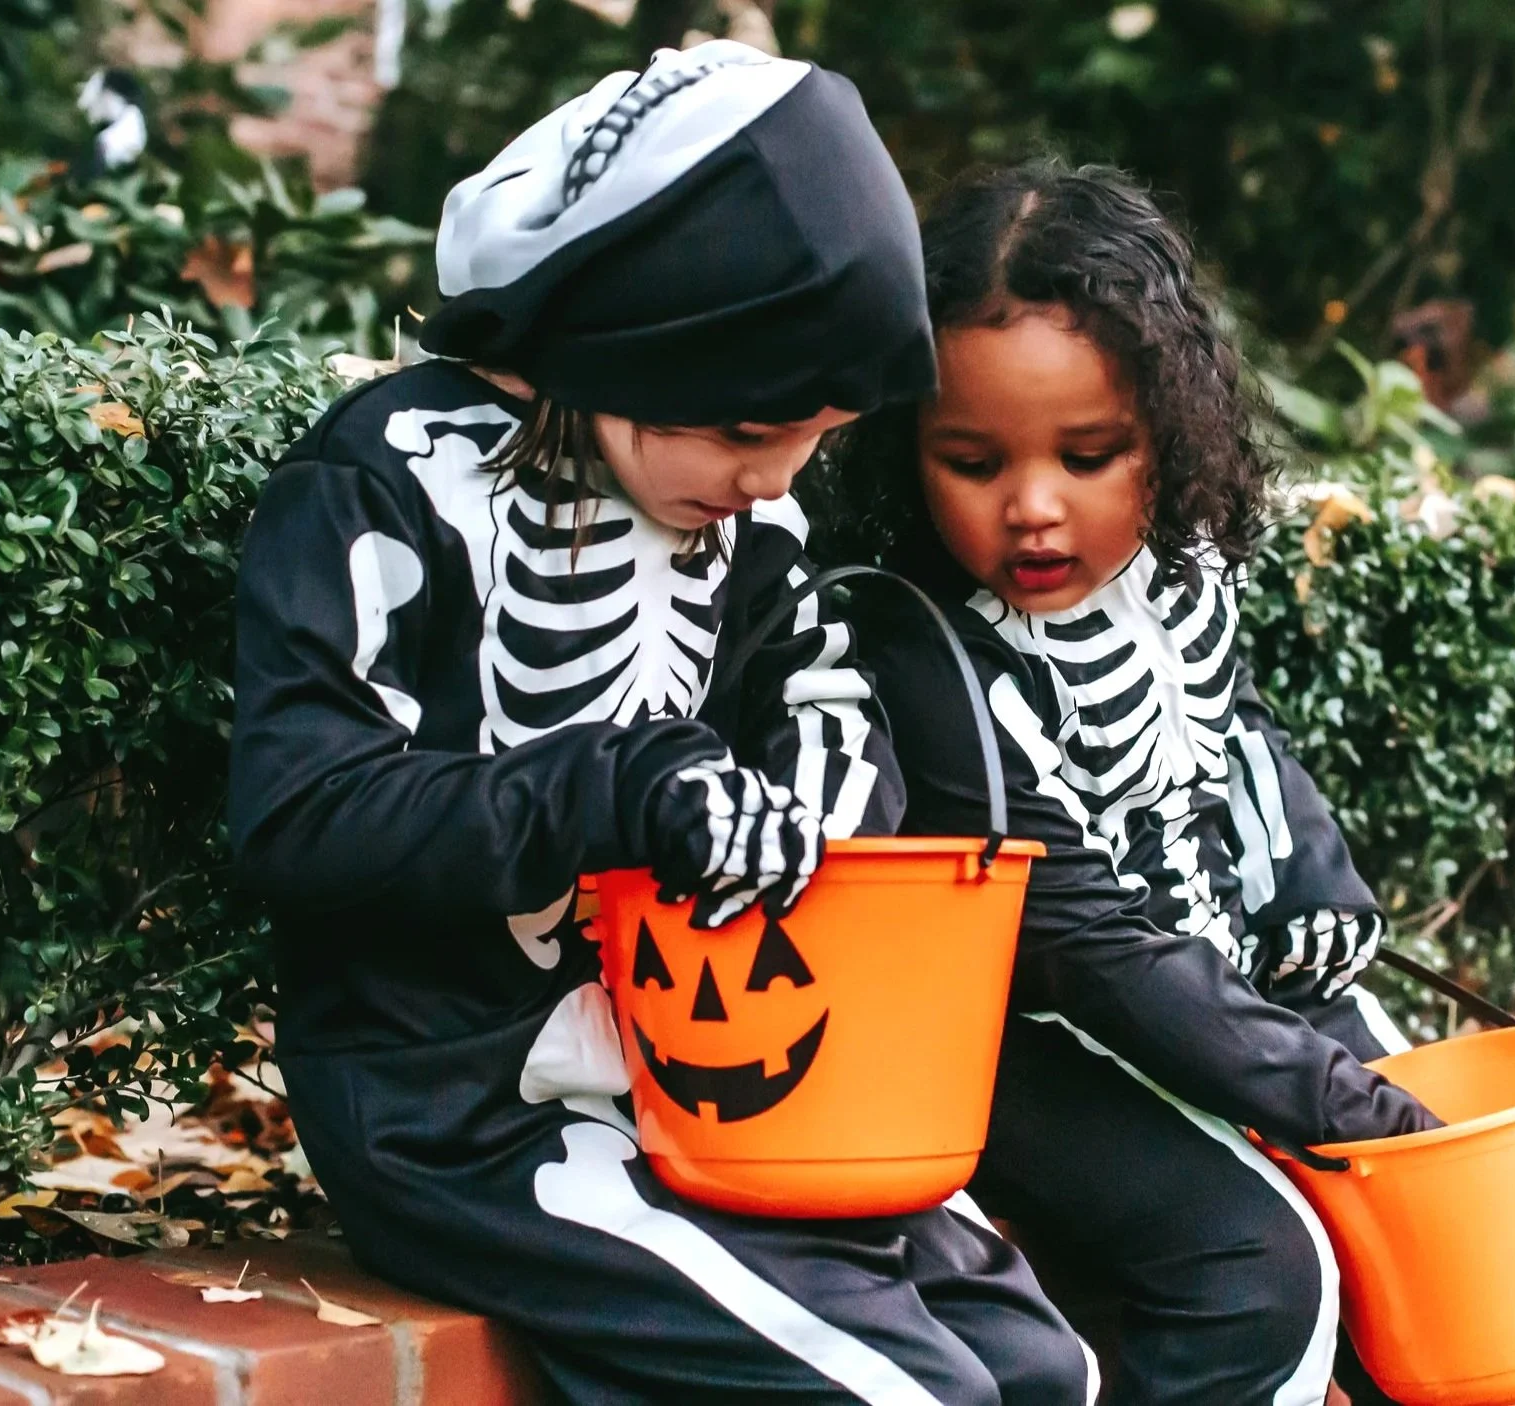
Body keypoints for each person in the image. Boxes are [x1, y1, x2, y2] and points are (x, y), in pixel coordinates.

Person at [229, 46, 1091, 1405]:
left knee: (1041, 1368)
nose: (768, 480)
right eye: (748, 427)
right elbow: (300, 813)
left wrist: (812, 799)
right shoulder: (385, 478)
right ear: (627, 340)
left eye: (812, 437)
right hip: (459, 1109)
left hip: (715, 1069)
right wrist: (618, 783)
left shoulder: (751, 527)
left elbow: (826, 711)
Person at [822, 161, 1437, 1405]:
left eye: (1091, 454)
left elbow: (1237, 733)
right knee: (1258, 1270)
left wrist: (1316, 879)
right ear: (907, 443)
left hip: (1213, 983)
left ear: (1169, 424)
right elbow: (1076, 938)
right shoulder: (915, 638)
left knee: (1443, 1219)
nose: (1034, 509)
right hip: (1028, 1042)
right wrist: (1322, 1090)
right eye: (972, 460)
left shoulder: (1180, 572)